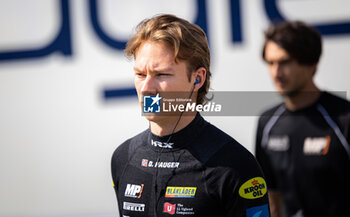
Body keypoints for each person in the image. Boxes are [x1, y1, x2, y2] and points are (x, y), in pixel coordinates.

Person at [111, 14, 270, 217]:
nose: (147, 88)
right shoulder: (123, 158)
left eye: (161, 75)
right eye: (140, 75)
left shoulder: (235, 166)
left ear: (197, 79)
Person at [255, 21, 350, 217]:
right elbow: (271, 198)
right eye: (271, 63)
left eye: (285, 62)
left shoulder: (344, 118)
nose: (276, 73)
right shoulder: (267, 122)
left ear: (311, 64)